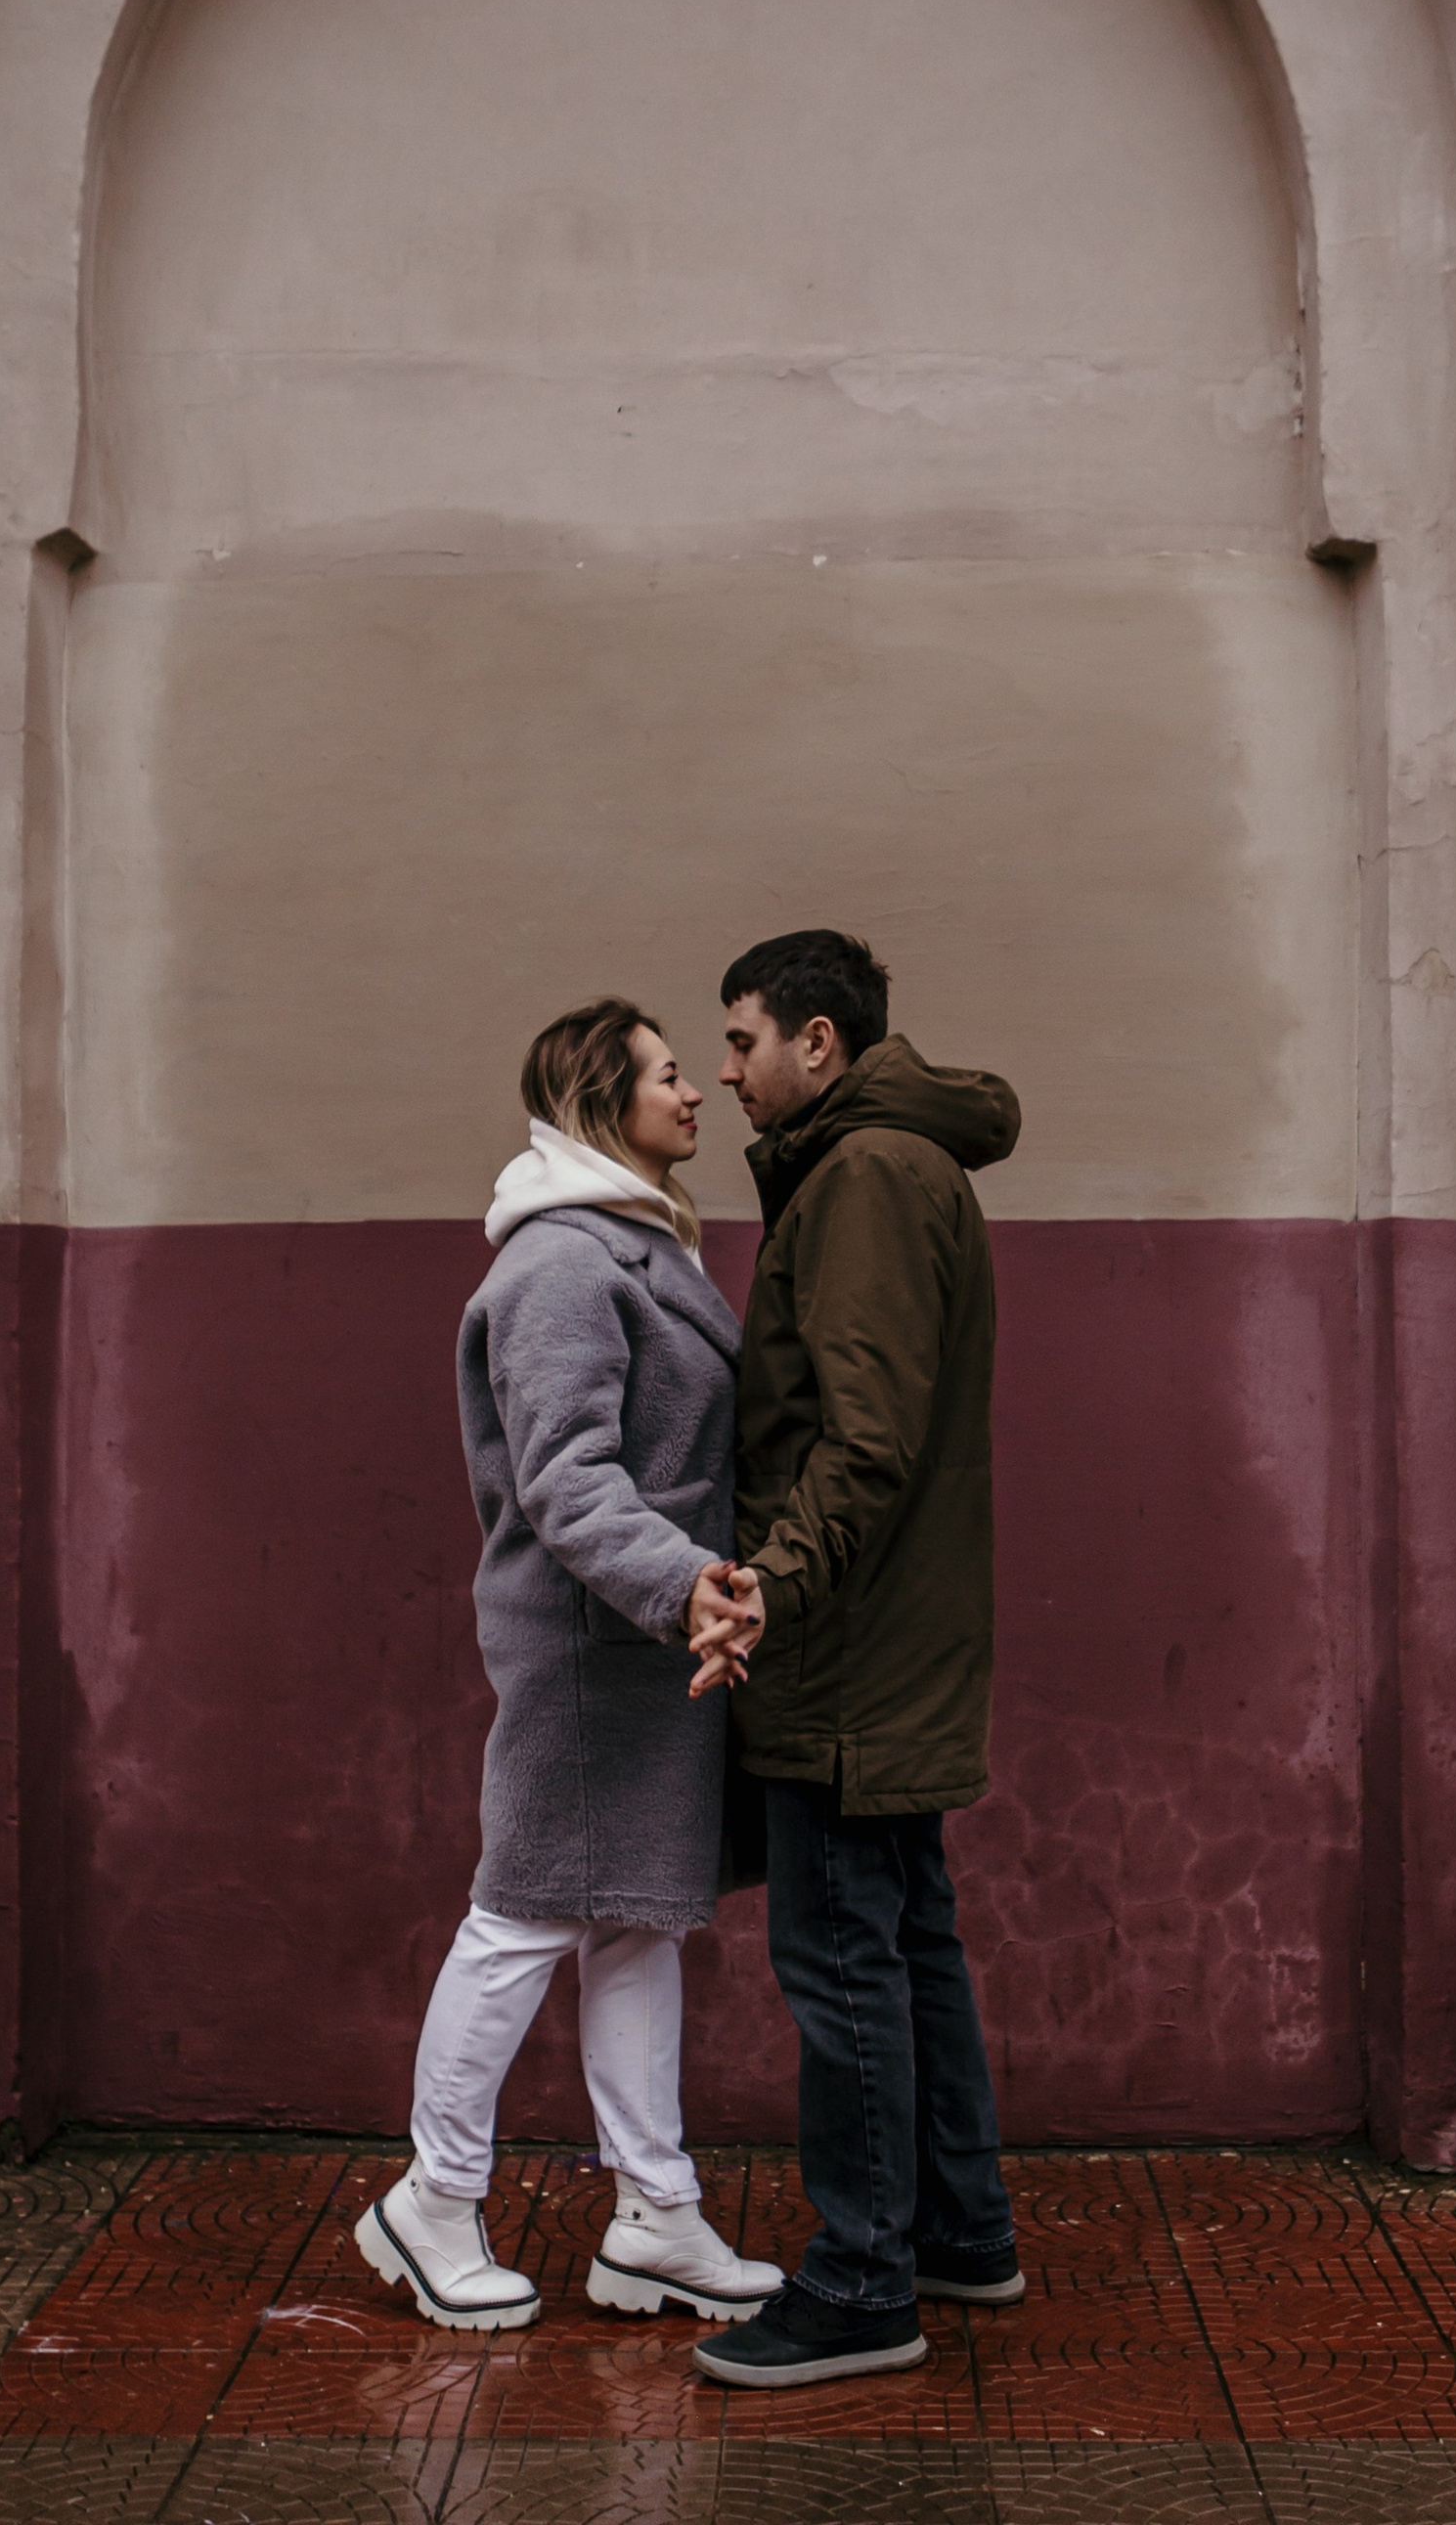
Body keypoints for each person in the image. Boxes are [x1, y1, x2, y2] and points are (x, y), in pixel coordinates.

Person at [356, 998, 784, 2333]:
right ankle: (432, 2200)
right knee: (524, 1919)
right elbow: (566, 1481)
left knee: (632, 1925)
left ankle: (655, 2219)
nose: (697, 1092)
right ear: (606, 1102)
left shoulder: (633, 1248)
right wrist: (688, 1587)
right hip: (598, 1650)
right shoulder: (561, 1266)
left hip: (646, 1651)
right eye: (668, 1076)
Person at [683, 928, 1024, 2391]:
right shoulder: (882, 1164)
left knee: (843, 1965)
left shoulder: (869, 1177)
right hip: (884, 1643)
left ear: (819, 1044)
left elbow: (864, 1441)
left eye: (745, 1038)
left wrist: (771, 1585)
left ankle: (865, 2282)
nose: (726, 1067)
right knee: (909, 1940)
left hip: (843, 1657)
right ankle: (960, 2230)